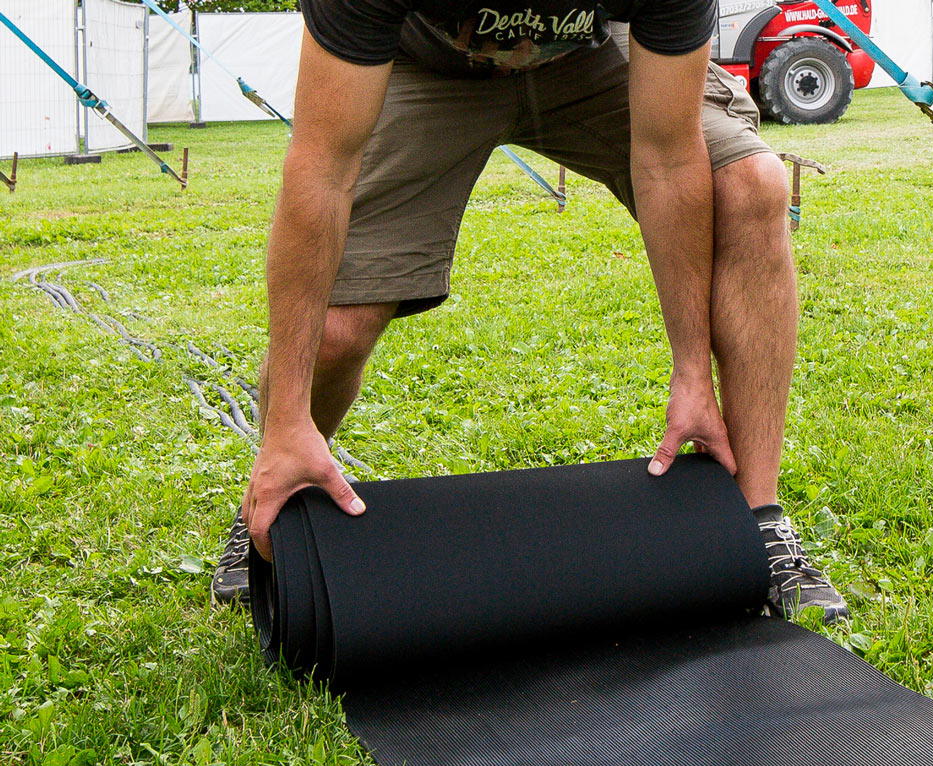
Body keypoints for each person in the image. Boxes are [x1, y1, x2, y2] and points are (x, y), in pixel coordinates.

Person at [212, 0, 848, 622]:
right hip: (423, 67)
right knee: (332, 335)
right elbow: (323, 168)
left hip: (588, 62)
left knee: (749, 185)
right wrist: (287, 414)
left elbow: (668, 153)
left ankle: (758, 521)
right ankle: (279, 486)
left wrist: (692, 370)